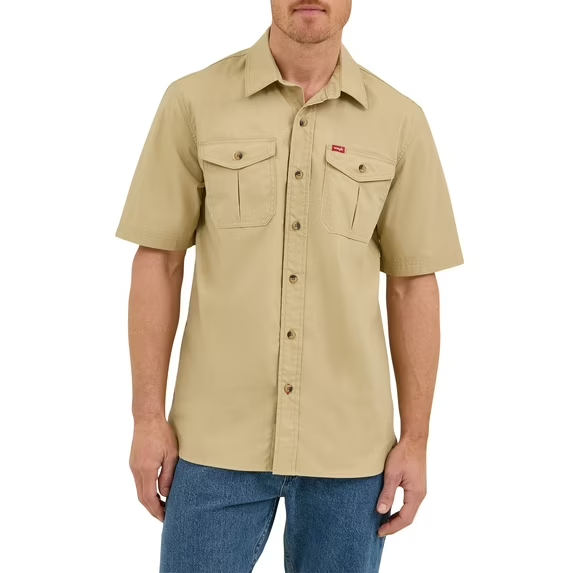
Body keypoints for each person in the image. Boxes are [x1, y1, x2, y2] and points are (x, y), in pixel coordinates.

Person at [115, 1, 464, 571]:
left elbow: (412, 286)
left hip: (352, 453)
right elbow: (158, 261)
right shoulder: (193, 101)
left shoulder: (400, 121)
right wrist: (147, 419)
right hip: (212, 442)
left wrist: (417, 440)